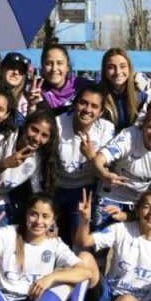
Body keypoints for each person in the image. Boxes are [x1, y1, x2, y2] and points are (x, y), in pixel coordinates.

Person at [90, 106, 151, 229]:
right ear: (143, 126)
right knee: (102, 237)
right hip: (112, 194)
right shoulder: (129, 136)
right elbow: (99, 159)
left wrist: (137, 212)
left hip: (141, 199)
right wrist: (105, 174)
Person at [50, 86, 115, 243]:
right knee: (51, 239)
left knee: (79, 241)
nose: (87, 109)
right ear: (74, 104)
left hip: (85, 190)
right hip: (56, 188)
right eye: (83, 103)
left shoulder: (106, 128)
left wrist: (92, 157)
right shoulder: (57, 124)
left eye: (94, 106)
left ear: (100, 112)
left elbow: (104, 172)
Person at [0, 110, 59, 223]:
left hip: (1, 201)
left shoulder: (39, 155)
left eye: (44, 135)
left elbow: (37, 190)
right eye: (34, 130)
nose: (37, 138)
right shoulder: (1, 141)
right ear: (25, 126)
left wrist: (50, 222)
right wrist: (4, 164)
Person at [97, 48, 149, 132]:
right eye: (111, 67)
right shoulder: (98, 96)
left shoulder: (141, 96)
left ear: (129, 68)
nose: (118, 72)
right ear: (105, 71)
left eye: (122, 66)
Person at [27, 43, 91, 113]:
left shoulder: (83, 86)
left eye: (59, 63)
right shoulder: (35, 90)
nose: (54, 69)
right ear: (42, 68)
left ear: (68, 67)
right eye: (48, 63)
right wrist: (32, 105)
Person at [0, 52, 32, 123]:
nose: (16, 72)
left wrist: (32, 107)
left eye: (21, 70)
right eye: (12, 67)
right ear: (2, 69)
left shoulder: (28, 101)